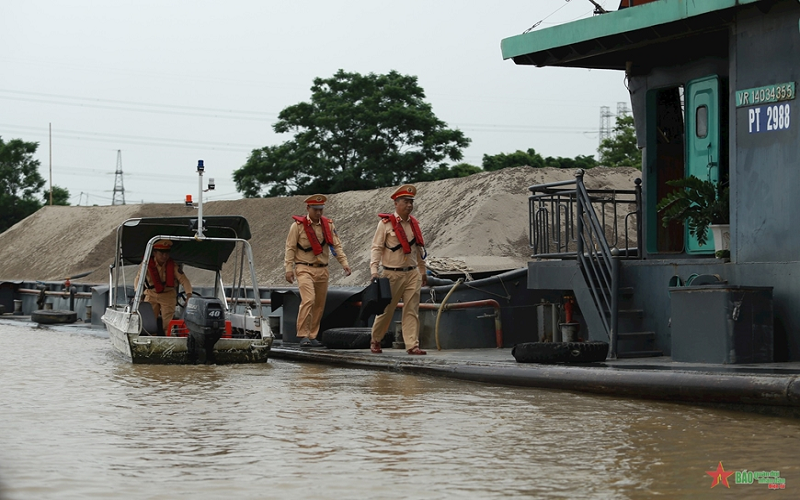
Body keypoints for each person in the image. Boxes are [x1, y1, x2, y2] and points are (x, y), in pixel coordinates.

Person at [285, 194, 352, 348]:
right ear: (308, 208)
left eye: (321, 210)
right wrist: (289, 269)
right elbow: (290, 248)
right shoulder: (297, 226)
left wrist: (344, 263)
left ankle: (312, 335)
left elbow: (336, 245)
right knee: (308, 299)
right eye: (315, 209)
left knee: (319, 304)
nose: (318, 213)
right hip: (303, 268)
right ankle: (303, 335)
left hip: (322, 269)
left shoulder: (328, 225)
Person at [369, 184, 428, 355]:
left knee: (412, 309)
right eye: (405, 201)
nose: (409, 205)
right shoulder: (385, 224)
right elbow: (376, 247)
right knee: (387, 309)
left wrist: (422, 271)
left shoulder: (414, 224)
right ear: (396, 203)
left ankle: (412, 345)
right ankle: (376, 339)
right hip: (391, 273)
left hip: (412, 273)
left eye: (411, 202)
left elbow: (418, 250)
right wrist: (374, 269)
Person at [134, 239, 193, 334]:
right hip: (151, 294)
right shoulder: (145, 265)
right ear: (154, 253)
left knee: (168, 324)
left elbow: (184, 280)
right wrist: (138, 294)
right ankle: (150, 339)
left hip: (168, 295)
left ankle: (170, 340)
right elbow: (138, 279)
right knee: (149, 322)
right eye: (161, 253)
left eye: (167, 253)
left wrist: (189, 295)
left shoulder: (173, 266)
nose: (164, 256)